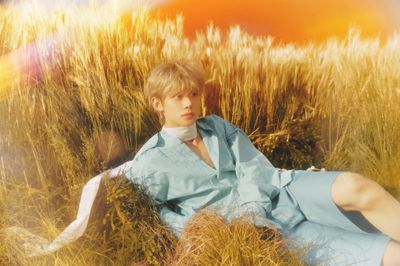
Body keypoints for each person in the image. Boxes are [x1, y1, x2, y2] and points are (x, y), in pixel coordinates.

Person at [120, 60, 400, 266]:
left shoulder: (216, 126)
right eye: (177, 97)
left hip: (279, 192)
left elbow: (253, 167)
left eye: (193, 94)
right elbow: (159, 212)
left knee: (356, 186)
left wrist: (253, 211)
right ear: (158, 104)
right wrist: (198, 235)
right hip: (259, 231)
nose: (188, 104)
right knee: (389, 256)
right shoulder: (150, 161)